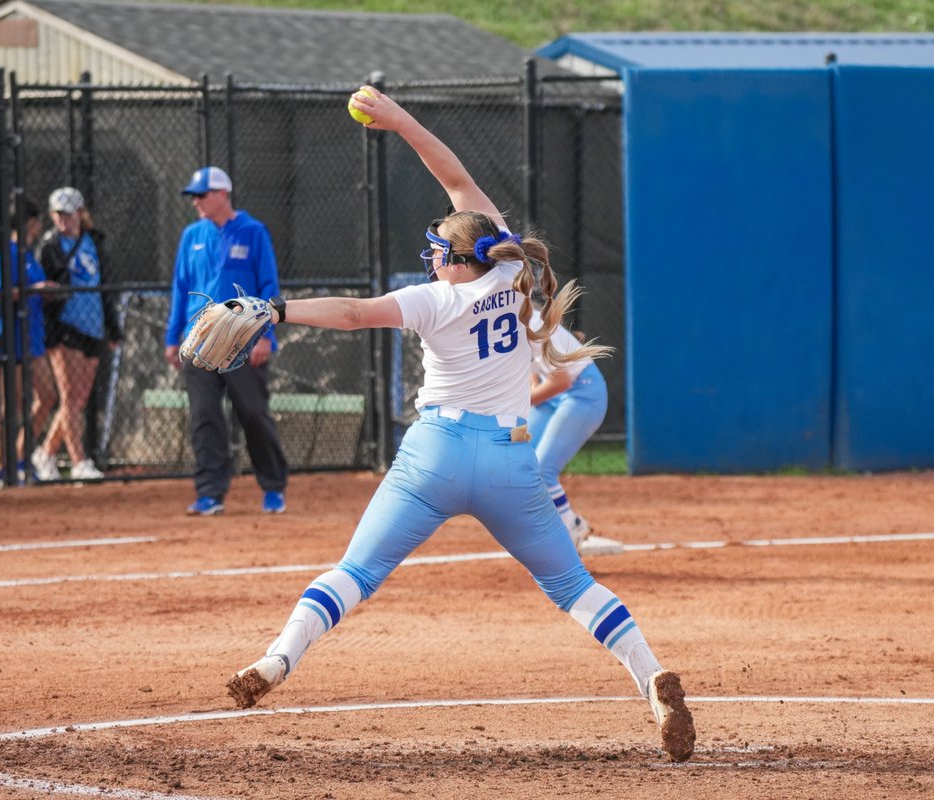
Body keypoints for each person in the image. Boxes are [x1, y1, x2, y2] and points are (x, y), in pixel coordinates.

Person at [223, 88, 696, 763]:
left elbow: (354, 315)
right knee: (574, 588)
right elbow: (455, 177)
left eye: (440, 245)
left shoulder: (434, 298)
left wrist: (277, 309)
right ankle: (651, 676)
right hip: (510, 461)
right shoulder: (513, 272)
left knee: (356, 572)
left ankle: (274, 662)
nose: (434, 250)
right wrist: (399, 118)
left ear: (456, 259)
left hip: (436, 456)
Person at [164, 166, 289, 516]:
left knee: (252, 413)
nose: (196, 203)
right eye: (193, 197)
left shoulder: (253, 232)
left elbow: (269, 287)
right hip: (198, 343)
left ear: (222, 194)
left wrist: (266, 335)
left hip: (245, 341)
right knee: (204, 416)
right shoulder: (192, 236)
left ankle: (273, 487)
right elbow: (180, 288)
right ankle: (209, 494)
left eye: (201, 195)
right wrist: (173, 337)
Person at [32, 187, 121, 482]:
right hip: (64, 328)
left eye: (69, 214)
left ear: (81, 214)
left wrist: (113, 328)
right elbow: (42, 288)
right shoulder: (49, 245)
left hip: (92, 327)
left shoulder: (94, 242)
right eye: (58, 215)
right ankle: (79, 461)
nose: (64, 221)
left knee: (78, 401)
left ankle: (45, 454)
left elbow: (106, 287)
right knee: (69, 398)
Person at [528, 306, 624, 556]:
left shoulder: (532, 322)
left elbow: (562, 381)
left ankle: (567, 540)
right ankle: (574, 523)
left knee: (542, 470)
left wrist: (522, 401)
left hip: (582, 393)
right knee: (521, 465)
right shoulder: (507, 319)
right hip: (552, 396)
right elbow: (531, 371)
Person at [0, 197, 56, 488]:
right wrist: (35, 288)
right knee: (10, 407)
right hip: (9, 337)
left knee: (48, 396)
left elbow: (32, 289)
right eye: (37, 221)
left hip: (31, 337)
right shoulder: (7, 254)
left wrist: (44, 291)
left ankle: (19, 457)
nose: (39, 226)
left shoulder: (28, 254)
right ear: (30, 223)